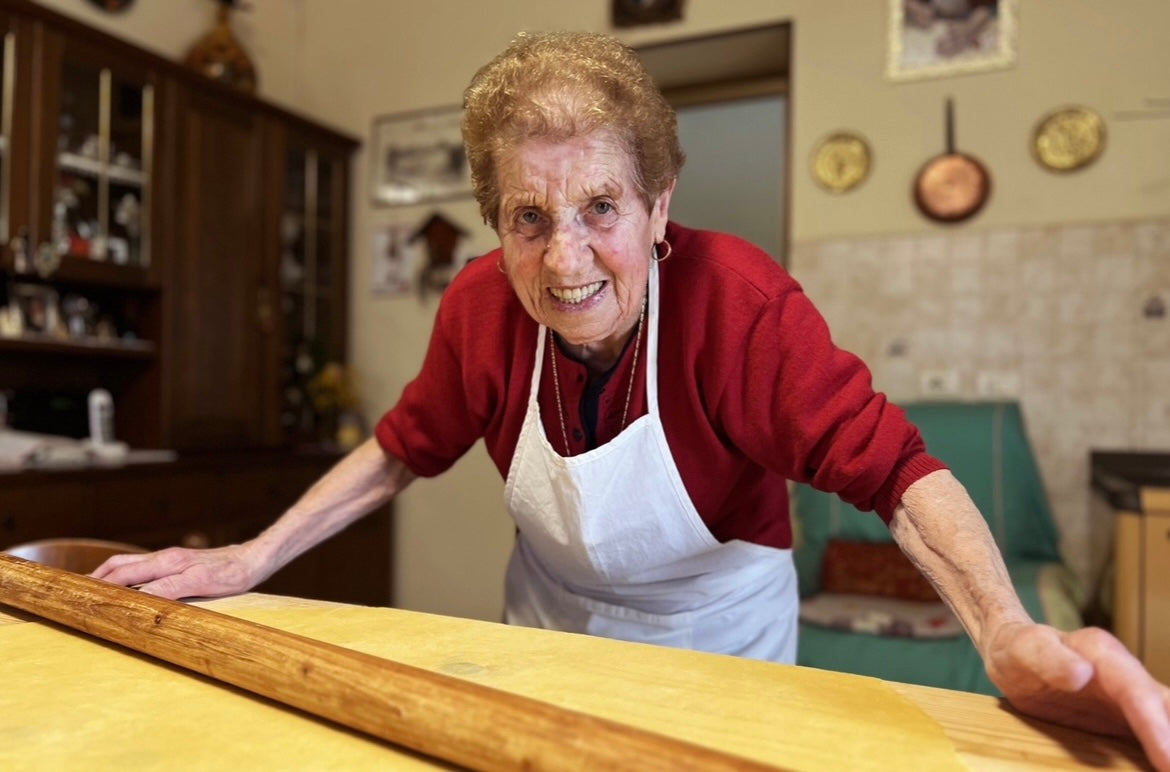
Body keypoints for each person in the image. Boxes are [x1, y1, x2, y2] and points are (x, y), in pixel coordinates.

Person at [93, 30, 1170, 769]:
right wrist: (245, 561)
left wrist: (1005, 633)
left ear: (661, 205)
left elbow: (896, 471)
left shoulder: (739, 303)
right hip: (545, 637)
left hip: (722, 650)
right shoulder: (478, 309)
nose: (566, 260)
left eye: (601, 205)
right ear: (495, 225)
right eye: (529, 217)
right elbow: (400, 447)